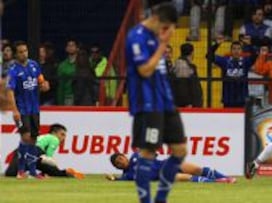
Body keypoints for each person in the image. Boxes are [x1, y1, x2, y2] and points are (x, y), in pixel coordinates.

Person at [125, 3, 187, 203]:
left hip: (165, 102)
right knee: (148, 152)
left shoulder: (154, 36)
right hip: (147, 104)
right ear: (157, 19)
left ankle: (160, 199)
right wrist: (162, 46)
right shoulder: (137, 36)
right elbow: (145, 70)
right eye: (166, 27)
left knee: (180, 150)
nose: (166, 32)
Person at [6, 41, 50, 179]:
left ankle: (32, 171)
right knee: (25, 137)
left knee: (34, 138)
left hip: (34, 108)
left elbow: (41, 81)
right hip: (21, 109)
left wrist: (44, 86)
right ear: (16, 54)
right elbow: (10, 91)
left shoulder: (34, 65)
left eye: (25, 51)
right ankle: (20, 170)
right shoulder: (13, 70)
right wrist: (14, 110)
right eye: (20, 51)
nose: (23, 53)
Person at [5, 124, 85, 179]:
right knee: (52, 169)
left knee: (10, 174)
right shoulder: (54, 139)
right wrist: (51, 169)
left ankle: (65, 172)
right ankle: (67, 172)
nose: (63, 138)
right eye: (62, 134)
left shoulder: (43, 137)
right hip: (35, 152)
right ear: (54, 133)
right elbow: (48, 156)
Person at [106, 152, 236, 183]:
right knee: (180, 177)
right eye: (118, 163)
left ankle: (225, 177)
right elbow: (119, 180)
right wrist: (113, 179)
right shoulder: (127, 175)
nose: (121, 162)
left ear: (124, 156)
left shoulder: (137, 155)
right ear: (118, 167)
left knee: (197, 169)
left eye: (120, 158)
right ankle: (216, 182)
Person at [207, 38, 253, 107]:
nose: (236, 51)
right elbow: (208, 55)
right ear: (231, 51)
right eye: (234, 49)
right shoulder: (225, 61)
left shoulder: (245, 61)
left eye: (238, 49)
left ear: (241, 51)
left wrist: (249, 45)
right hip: (228, 100)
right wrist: (216, 44)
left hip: (242, 99)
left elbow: (255, 56)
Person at [172, 43, 203, 107]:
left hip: (192, 103)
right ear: (192, 52)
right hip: (188, 104)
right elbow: (182, 86)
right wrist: (187, 102)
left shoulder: (185, 65)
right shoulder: (182, 65)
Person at [57, 39, 79, 105]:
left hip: (81, 97)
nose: (71, 47)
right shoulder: (62, 66)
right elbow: (60, 85)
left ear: (77, 48)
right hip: (68, 96)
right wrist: (60, 101)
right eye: (69, 45)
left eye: (73, 45)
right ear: (66, 48)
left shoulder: (82, 63)